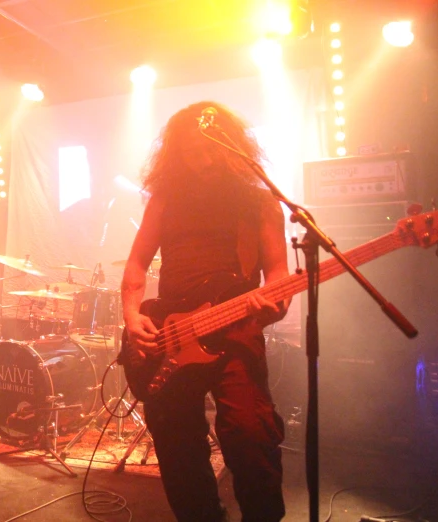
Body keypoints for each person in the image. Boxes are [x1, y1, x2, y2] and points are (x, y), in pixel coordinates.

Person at [121, 102, 291, 521]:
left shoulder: (260, 203)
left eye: (214, 148)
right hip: (171, 333)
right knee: (177, 444)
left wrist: (272, 306)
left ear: (234, 147)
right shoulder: (165, 201)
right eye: (193, 150)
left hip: (235, 332)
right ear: (178, 155)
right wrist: (131, 315)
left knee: (252, 437)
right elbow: (137, 263)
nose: (205, 159)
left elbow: (279, 277)